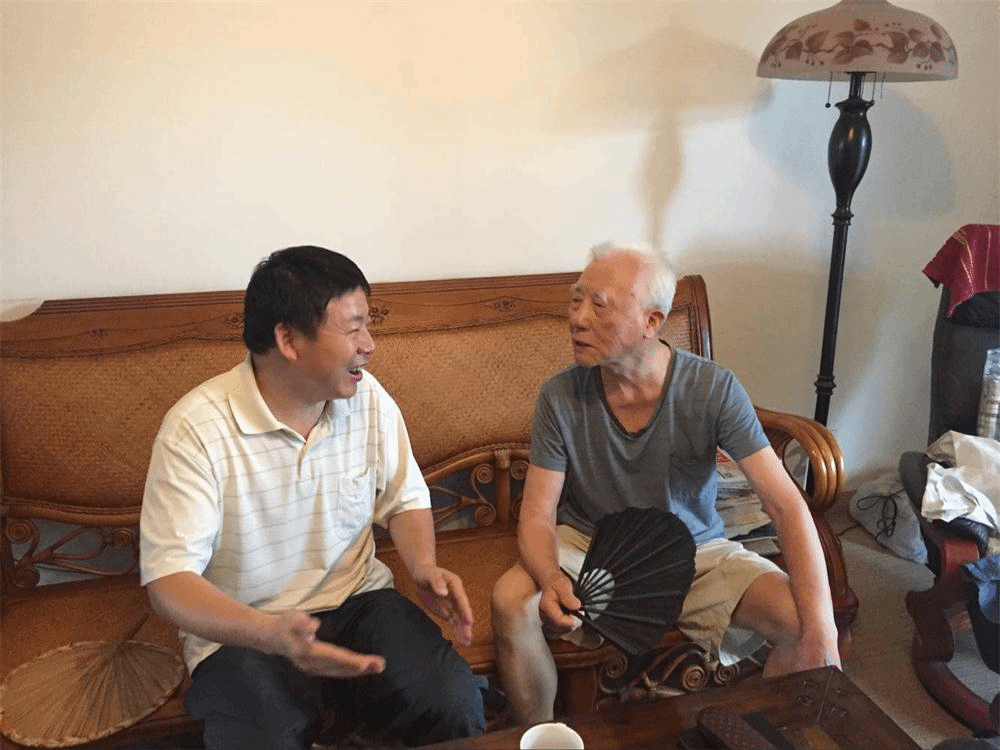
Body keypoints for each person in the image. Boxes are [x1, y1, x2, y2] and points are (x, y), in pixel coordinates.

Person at [140, 245, 487, 749]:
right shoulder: (196, 429)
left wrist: (424, 566)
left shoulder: (366, 398)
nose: (369, 345)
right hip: (246, 631)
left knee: (453, 701)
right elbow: (169, 583)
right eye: (353, 328)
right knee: (268, 737)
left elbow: (404, 497)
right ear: (288, 339)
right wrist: (270, 633)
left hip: (359, 603)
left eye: (369, 325)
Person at [491, 241, 841, 724]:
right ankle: (543, 736)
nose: (577, 319)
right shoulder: (560, 395)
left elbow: (786, 506)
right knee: (511, 600)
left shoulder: (713, 389)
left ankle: (752, 734)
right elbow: (537, 514)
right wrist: (551, 578)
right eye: (575, 300)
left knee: (802, 621)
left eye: (599, 306)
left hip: (694, 551)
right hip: (590, 545)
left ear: (651, 322)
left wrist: (823, 632)